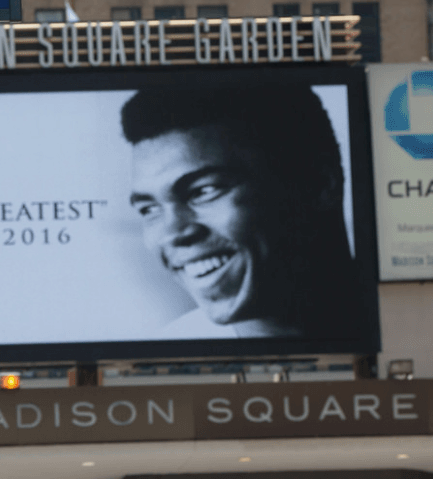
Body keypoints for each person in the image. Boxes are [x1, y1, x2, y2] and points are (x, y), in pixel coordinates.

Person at [120, 83, 361, 340]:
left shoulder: (404, 325)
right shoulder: (164, 354)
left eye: (204, 190)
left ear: (319, 185)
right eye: (149, 209)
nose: (172, 234)